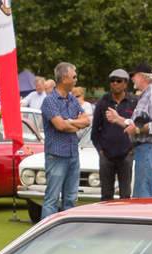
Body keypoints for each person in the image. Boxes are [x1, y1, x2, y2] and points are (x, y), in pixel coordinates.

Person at [40, 62, 89, 218]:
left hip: (73, 154)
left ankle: (67, 236)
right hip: (56, 155)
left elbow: (86, 120)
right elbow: (59, 125)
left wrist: (68, 122)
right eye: (74, 76)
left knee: (70, 199)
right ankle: (47, 237)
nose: (76, 79)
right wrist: (71, 123)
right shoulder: (49, 101)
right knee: (52, 199)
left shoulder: (72, 99)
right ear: (64, 78)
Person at [125, 64, 152, 199]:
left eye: (134, 75)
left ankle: (143, 218)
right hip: (145, 148)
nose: (132, 79)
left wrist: (137, 129)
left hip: (149, 148)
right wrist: (120, 120)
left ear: (143, 77)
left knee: (143, 192)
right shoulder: (147, 94)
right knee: (142, 189)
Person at [93, 68, 135, 201]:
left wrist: (132, 150)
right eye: (112, 81)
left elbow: (137, 126)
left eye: (118, 81)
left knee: (125, 195)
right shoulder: (102, 102)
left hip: (126, 155)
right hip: (106, 156)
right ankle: (105, 221)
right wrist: (100, 150)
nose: (115, 83)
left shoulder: (134, 102)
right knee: (106, 195)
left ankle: (124, 221)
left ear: (125, 84)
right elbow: (95, 131)